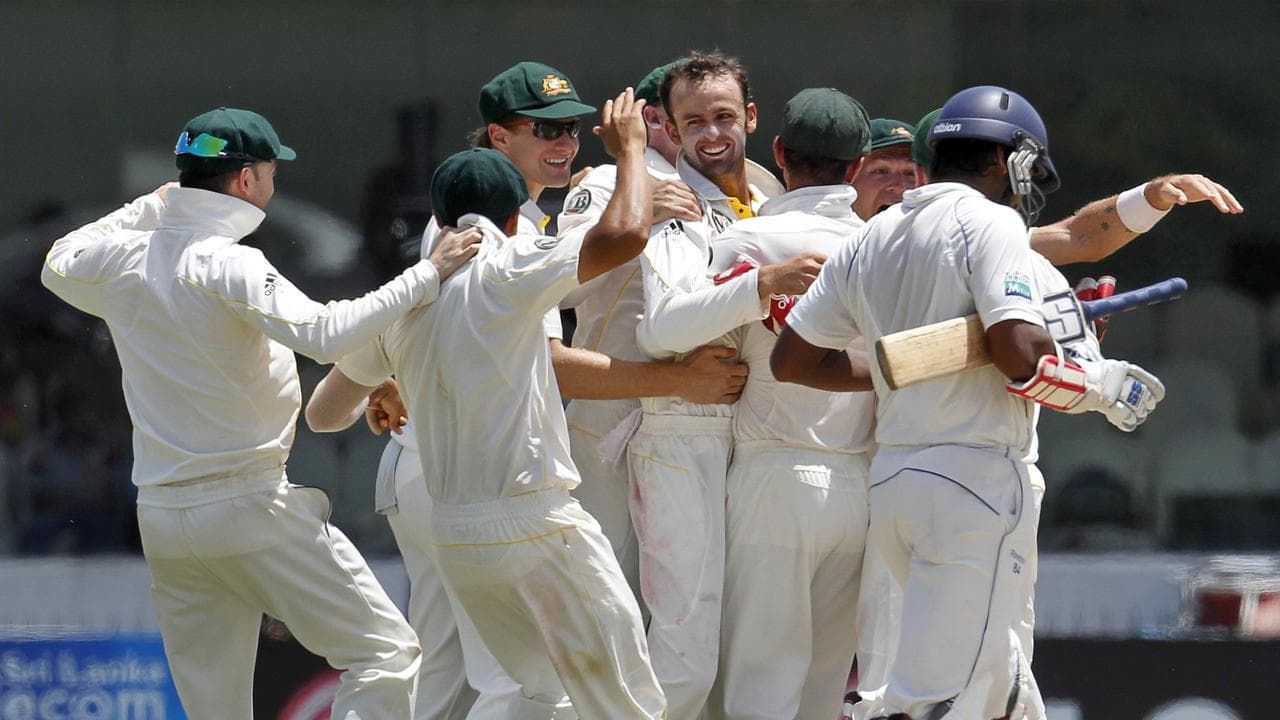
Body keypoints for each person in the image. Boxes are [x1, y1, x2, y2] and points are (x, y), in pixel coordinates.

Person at [39, 106, 485, 719]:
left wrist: (148, 206)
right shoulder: (226, 260)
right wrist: (428, 273)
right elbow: (326, 334)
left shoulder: (124, 260)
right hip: (248, 506)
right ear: (247, 181)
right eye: (272, 173)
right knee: (386, 654)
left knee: (214, 712)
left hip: (165, 519)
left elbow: (59, 258)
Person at [772, 86, 1167, 719]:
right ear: (1011, 161)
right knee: (941, 702)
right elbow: (1018, 353)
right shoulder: (993, 222)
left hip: (897, 482)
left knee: (1003, 691)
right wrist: (1103, 385)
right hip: (974, 485)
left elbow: (791, 361)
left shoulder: (872, 237)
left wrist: (899, 369)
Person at [308, 90, 666, 719]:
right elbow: (627, 234)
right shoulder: (513, 262)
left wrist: (403, 377)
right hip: (535, 525)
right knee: (627, 704)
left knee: (534, 697)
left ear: (441, 221)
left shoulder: (407, 303)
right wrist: (632, 151)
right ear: (511, 219)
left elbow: (324, 415)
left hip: (456, 536)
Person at [627, 51, 802, 719]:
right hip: (680, 433)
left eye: (724, 116)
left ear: (751, 118)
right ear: (669, 126)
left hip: (759, 438)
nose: (711, 134)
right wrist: (759, 287)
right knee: (685, 655)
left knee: (746, 656)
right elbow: (664, 330)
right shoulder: (671, 200)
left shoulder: (770, 200)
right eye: (692, 120)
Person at [700, 88, 876, 720]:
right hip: (860, 487)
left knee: (757, 686)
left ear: (778, 153)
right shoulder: (885, 248)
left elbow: (697, 354)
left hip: (768, 479)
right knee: (824, 694)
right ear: (858, 168)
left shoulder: (747, 240)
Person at [851, 117, 918, 221]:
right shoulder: (825, 234)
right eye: (881, 171)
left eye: (910, 173)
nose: (900, 186)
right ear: (850, 176)